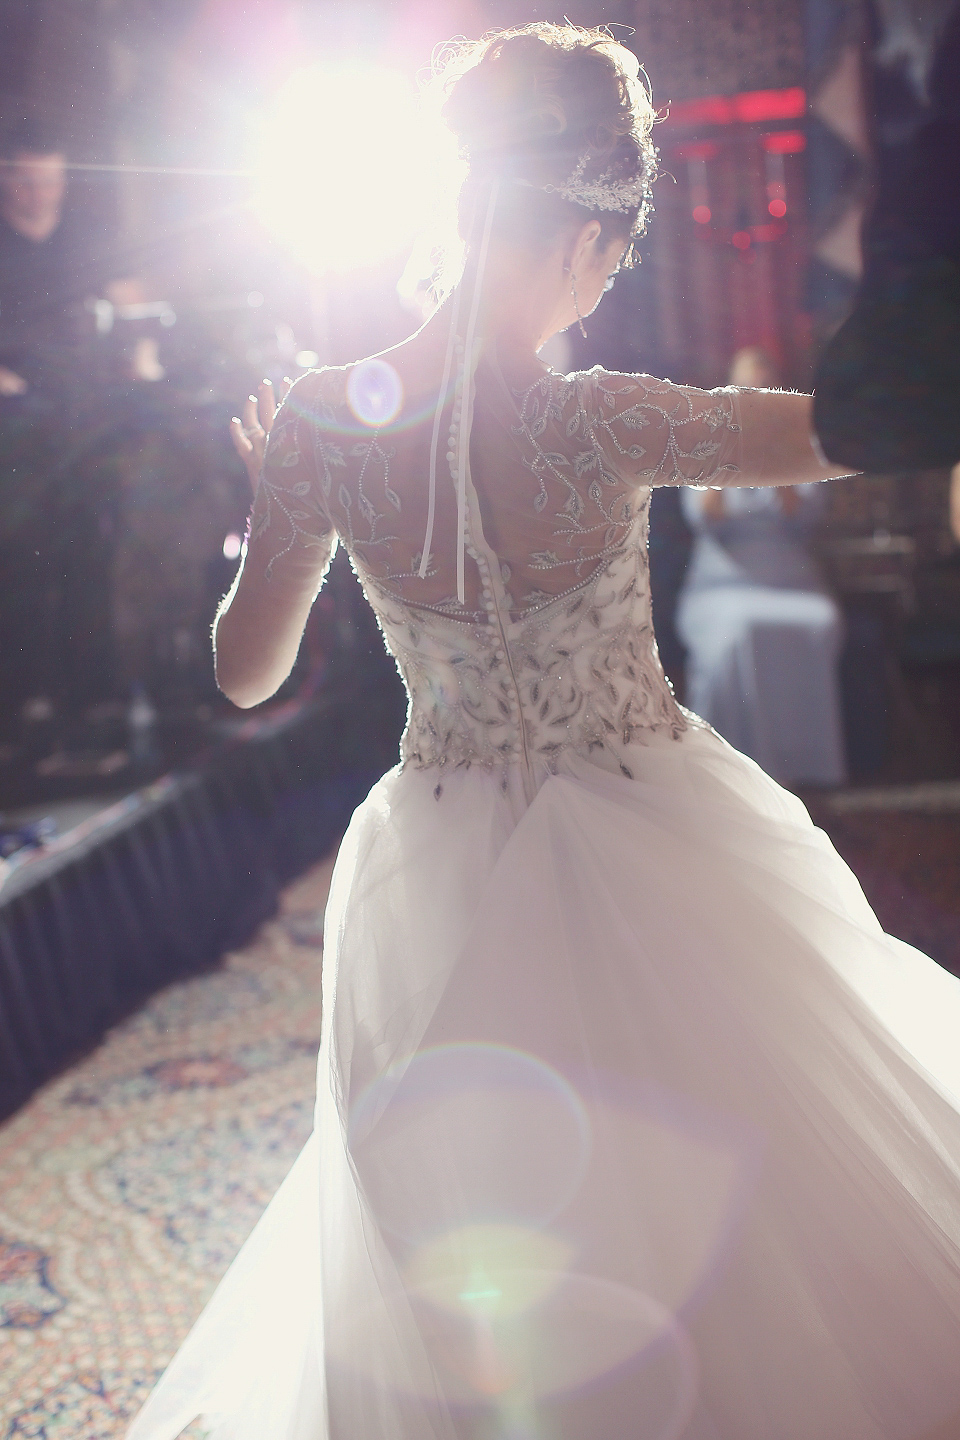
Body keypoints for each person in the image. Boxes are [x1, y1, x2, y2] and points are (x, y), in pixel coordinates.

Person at [129, 26, 960, 1440]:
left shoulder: (329, 423)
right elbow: (841, 433)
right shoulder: (608, 418)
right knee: (739, 1190)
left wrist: (277, 489)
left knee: (471, 1238)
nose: (607, 280)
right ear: (587, 224)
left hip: (437, 860)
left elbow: (247, 673)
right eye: (613, 251)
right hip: (657, 830)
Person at [676, 346, 847, 787]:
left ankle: (807, 769)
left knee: (816, 623)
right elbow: (702, 517)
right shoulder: (701, 446)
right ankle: (730, 773)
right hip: (722, 584)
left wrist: (778, 449)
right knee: (736, 631)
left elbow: (803, 517)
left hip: (790, 581)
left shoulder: (804, 449)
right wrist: (727, 450)